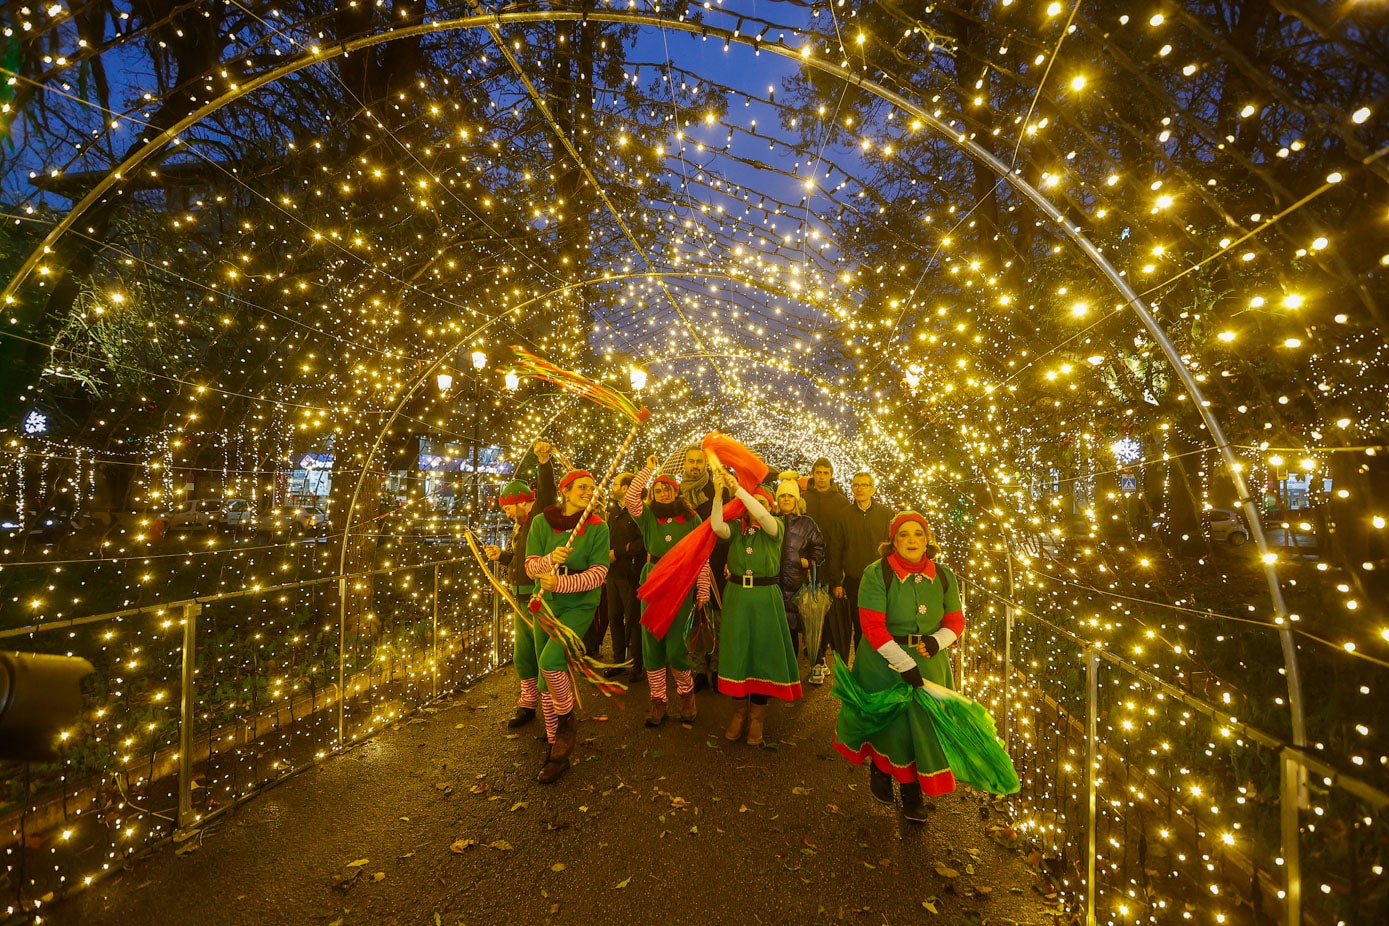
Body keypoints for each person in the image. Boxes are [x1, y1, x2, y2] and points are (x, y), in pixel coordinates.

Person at [833, 512, 964, 822]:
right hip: (883, 660)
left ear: (927, 539)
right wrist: (903, 662)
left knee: (922, 725)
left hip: (930, 662)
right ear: (892, 540)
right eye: (904, 534)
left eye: (918, 534)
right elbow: (872, 625)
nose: (912, 540)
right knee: (893, 723)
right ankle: (885, 771)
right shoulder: (876, 573)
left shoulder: (944, 575)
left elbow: (955, 621)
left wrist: (938, 641)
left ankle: (910, 790)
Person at [525, 470, 610, 783]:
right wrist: (549, 559)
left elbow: (599, 573)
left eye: (591, 487)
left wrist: (561, 581)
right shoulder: (540, 522)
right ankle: (554, 749)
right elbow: (530, 565)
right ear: (565, 491)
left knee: (551, 661)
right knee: (545, 678)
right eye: (581, 487)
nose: (588, 491)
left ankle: (567, 721)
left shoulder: (598, 528)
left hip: (580, 606)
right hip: (544, 604)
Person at [711, 469, 802, 746]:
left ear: (770, 506)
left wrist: (740, 491)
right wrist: (718, 495)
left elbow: (763, 516)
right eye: (754, 502)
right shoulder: (737, 532)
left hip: (765, 598)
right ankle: (739, 713)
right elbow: (716, 526)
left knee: (762, 653)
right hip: (738, 596)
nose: (757, 508)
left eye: (762, 502)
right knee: (739, 652)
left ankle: (758, 718)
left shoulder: (775, 528)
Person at [627, 456, 711, 726]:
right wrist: (649, 468)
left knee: (677, 647)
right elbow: (631, 498)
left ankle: (686, 696)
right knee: (651, 644)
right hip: (653, 580)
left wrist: (702, 590)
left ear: (677, 492)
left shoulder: (691, 517)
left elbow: (702, 555)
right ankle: (658, 701)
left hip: (680, 583)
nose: (663, 493)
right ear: (653, 493)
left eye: (668, 489)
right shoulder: (648, 516)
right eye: (658, 489)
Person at [482, 440, 555, 727]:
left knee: (542, 654)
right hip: (519, 599)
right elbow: (520, 559)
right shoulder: (521, 525)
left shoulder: (540, 515)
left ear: (524, 502)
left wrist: (543, 462)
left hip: (537, 598)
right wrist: (503, 556)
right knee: (522, 654)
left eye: (509, 509)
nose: (507, 515)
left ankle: (552, 707)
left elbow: (548, 493)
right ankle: (528, 702)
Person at [830, 471, 893, 655]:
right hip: (855, 580)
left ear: (873, 489)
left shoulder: (887, 515)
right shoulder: (843, 516)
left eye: (864, 485)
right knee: (860, 627)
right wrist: (836, 582)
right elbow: (836, 550)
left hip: (883, 580)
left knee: (883, 626)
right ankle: (861, 668)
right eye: (856, 485)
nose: (859, 489)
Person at [680, 445, 725, 692]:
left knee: (716, 617)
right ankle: (697, 669)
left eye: (699, 462)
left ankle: (717, 668)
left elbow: (726, 524)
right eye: (691, 462)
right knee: (693, 615)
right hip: (689, 564)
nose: (695, 466)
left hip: (715, 562)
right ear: (685, 465)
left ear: (705, 465)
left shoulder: (716, 489)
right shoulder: (677, 495)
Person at [802, 457, 849, 684]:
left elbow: (843, 537)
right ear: (812, 474)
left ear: (831, 475)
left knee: (828, 614)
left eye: (825, 473)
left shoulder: (840, 502)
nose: (821, 477)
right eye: (817, 472)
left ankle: (820, 659)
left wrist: (839, 572)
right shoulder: (804, 499)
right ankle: (817, 659)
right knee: (810, 614)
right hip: (807, 566)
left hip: (831, 565)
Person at [772, 471, 825, 660]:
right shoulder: (770, 520)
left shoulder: (807, 523)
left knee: (791, 634)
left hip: (796, 587)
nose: (786, 499)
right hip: (771, 586)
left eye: (790, 496)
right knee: (773, 635)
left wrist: (809, 561)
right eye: (782, 496)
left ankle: (791, 679)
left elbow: (818, 549)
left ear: (796, 499)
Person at [605, 472, 646, 681]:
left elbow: (642, 543)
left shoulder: (638, 511)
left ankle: (636, 665)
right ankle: (618, 661)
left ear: (626, 487)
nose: (612, 487)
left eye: (616, 483)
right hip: (612, 574)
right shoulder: (614, 511)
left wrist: (618, 552)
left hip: (631, 574)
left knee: (633, 621)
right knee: (614, 619)